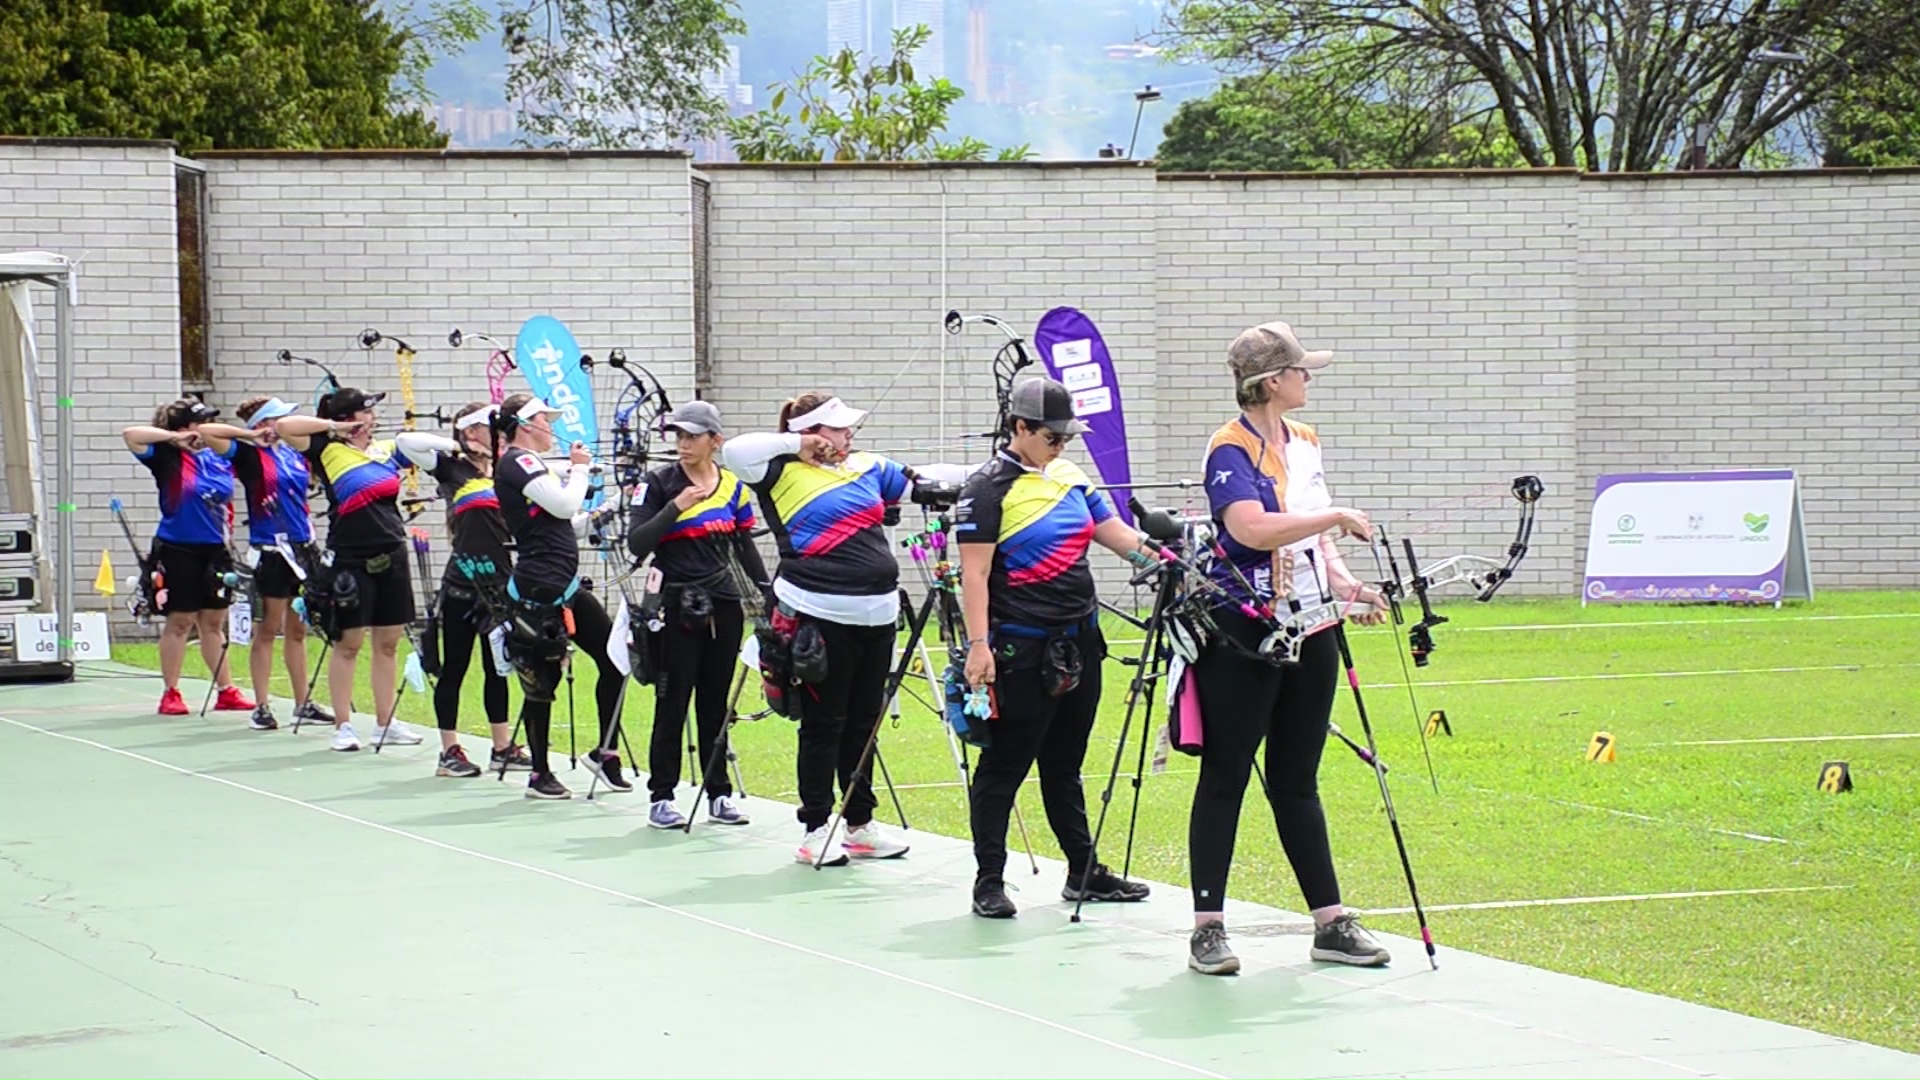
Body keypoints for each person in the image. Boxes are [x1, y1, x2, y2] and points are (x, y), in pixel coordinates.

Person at [1184, 320, 1392, 976]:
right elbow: (1250, 527)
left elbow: (1314, 537)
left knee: (1297, 777)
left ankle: (1330, 922)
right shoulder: (1229, 449)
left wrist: (1347, 586)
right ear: (1273, 382)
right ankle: (1208, 928)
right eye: (1301, 370)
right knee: (1226, 774)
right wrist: (1332, 518)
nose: (1309, 379)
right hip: (1243, 629)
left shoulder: (1304, 440)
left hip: (1313, 623)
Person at [952, 377, 1157, 918]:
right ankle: (989, 881)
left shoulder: (1069, 476)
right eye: (1052, 436)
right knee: (1005, 765)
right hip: (1020, 647)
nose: (1061, 445)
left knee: (1065, 763)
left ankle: (1083, 872)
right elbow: (975, 574)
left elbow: (1113, 534)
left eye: (1067, 436)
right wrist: (979, 647)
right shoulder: (986, 489)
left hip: (1081, 640)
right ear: (1019, 428)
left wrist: (1165, 557)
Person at [720, 392, 913, 866]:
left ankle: (860, 825)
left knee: (864, 724)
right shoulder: (778, 471)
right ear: (812, 433)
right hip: (819, 614)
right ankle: (816, 827)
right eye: (839, 428)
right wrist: (797, 445)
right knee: (825, 723)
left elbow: (923, 481)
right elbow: (734, 450)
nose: (849, 435)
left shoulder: (866, 466)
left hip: (879, 615)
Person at [626, 400, 767, 829]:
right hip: (674, 604)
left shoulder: (734, 487)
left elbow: (743, 546)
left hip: (722, 605)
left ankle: (718, 793)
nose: (683, 444)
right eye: (679, 436)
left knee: (714, 702)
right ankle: (662, 795)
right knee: (672, 699)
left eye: (692, 436)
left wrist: (767, 594)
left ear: (715, 441)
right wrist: (677, 507)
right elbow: (638, 542)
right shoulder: (658, 483)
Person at [276, 388, 438, 752]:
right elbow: (286, 426)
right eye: (367, 411)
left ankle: (385, 723)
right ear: (350, 417)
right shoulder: (326, 449)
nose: (374, 417)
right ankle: (343, 725)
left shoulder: (385, 450)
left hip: (392, 550)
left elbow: (421, 444)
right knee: (348, 642)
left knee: (389, 641)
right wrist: (334, 426)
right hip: (351, 556)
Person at [490, 393, 632, 800]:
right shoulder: (518, 461)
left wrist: (616, 502)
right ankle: (538, 773)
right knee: (541, 684)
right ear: (526, 424)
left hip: (565, 588)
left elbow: (567, 524)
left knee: (615, 660)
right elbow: (567, 500)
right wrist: (581, 470)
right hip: (538, 591)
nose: (551, 427)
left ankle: (605, 752)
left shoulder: (534, 468)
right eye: (545, 420)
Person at [410, 401, 533, 778]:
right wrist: (457, 446)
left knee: (498, 667)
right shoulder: (453, 469)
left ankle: (501, 748)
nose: (493, 431)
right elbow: (407, 441)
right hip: (463, 585)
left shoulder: (505, 471)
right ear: (469, 431)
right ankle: (449, 752)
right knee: (455, 669)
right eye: (485, 425)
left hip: (500, 585)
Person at [121, 399, 256, 716]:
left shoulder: (219, 456)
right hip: (177, 547)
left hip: (215, 550)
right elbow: (131, 434)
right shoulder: (166, 456)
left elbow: (227, 437)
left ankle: (226, 690)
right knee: (180, 621)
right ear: (182, 428)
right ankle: (171, 692)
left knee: (213, 621)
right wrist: (172, 439)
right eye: (199, 423)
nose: (205, 428)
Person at [216, 396, 334, 731]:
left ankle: (303, 703)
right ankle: (263, 705)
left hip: (302, 548)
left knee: (299, 629)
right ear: (263, 424)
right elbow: (211, 433)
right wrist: (250, 436)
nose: (284, 424)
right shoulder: (249, 455)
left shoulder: (292, 454)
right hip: (271, 551)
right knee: (268, 629)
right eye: (277, 419)